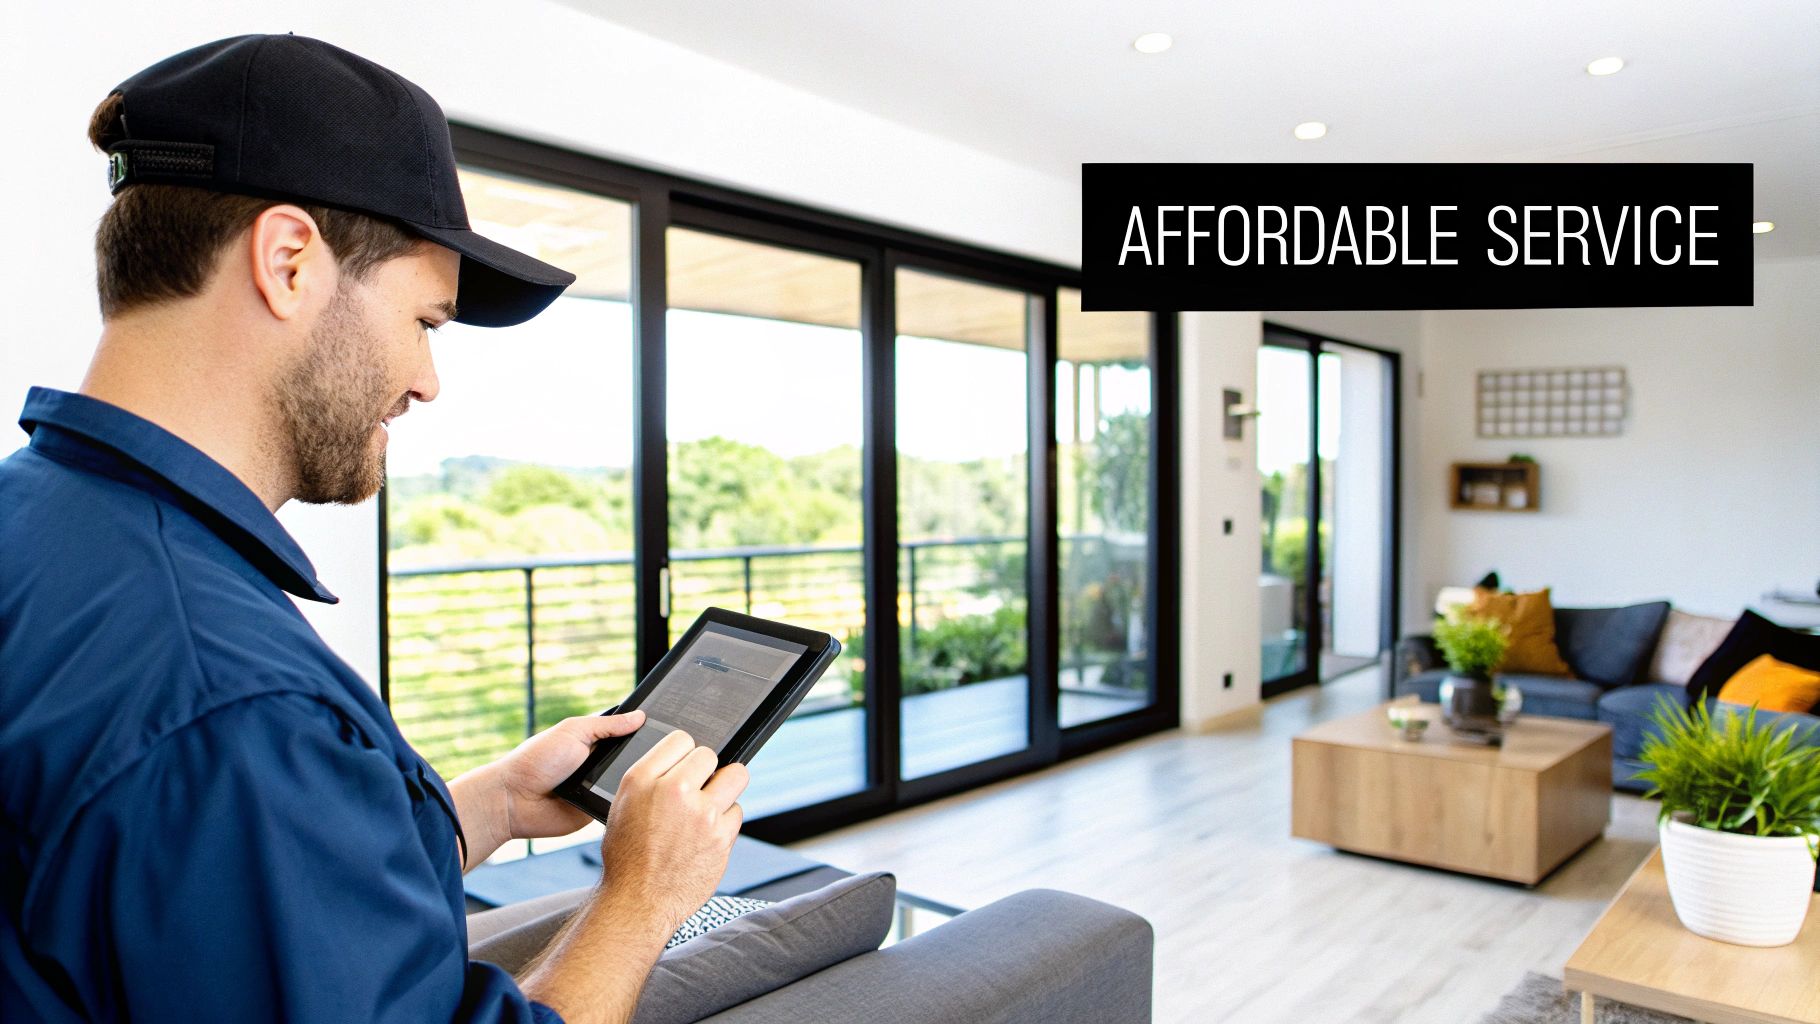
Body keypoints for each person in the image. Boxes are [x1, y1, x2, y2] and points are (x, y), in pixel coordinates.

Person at [0, 34, 747, 1024]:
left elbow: (193, 909)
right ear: (289, 260)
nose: (427, 381)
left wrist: (492, 803)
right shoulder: (231, 701)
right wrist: (644, 893)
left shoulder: (40, 517)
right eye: (427, 322)